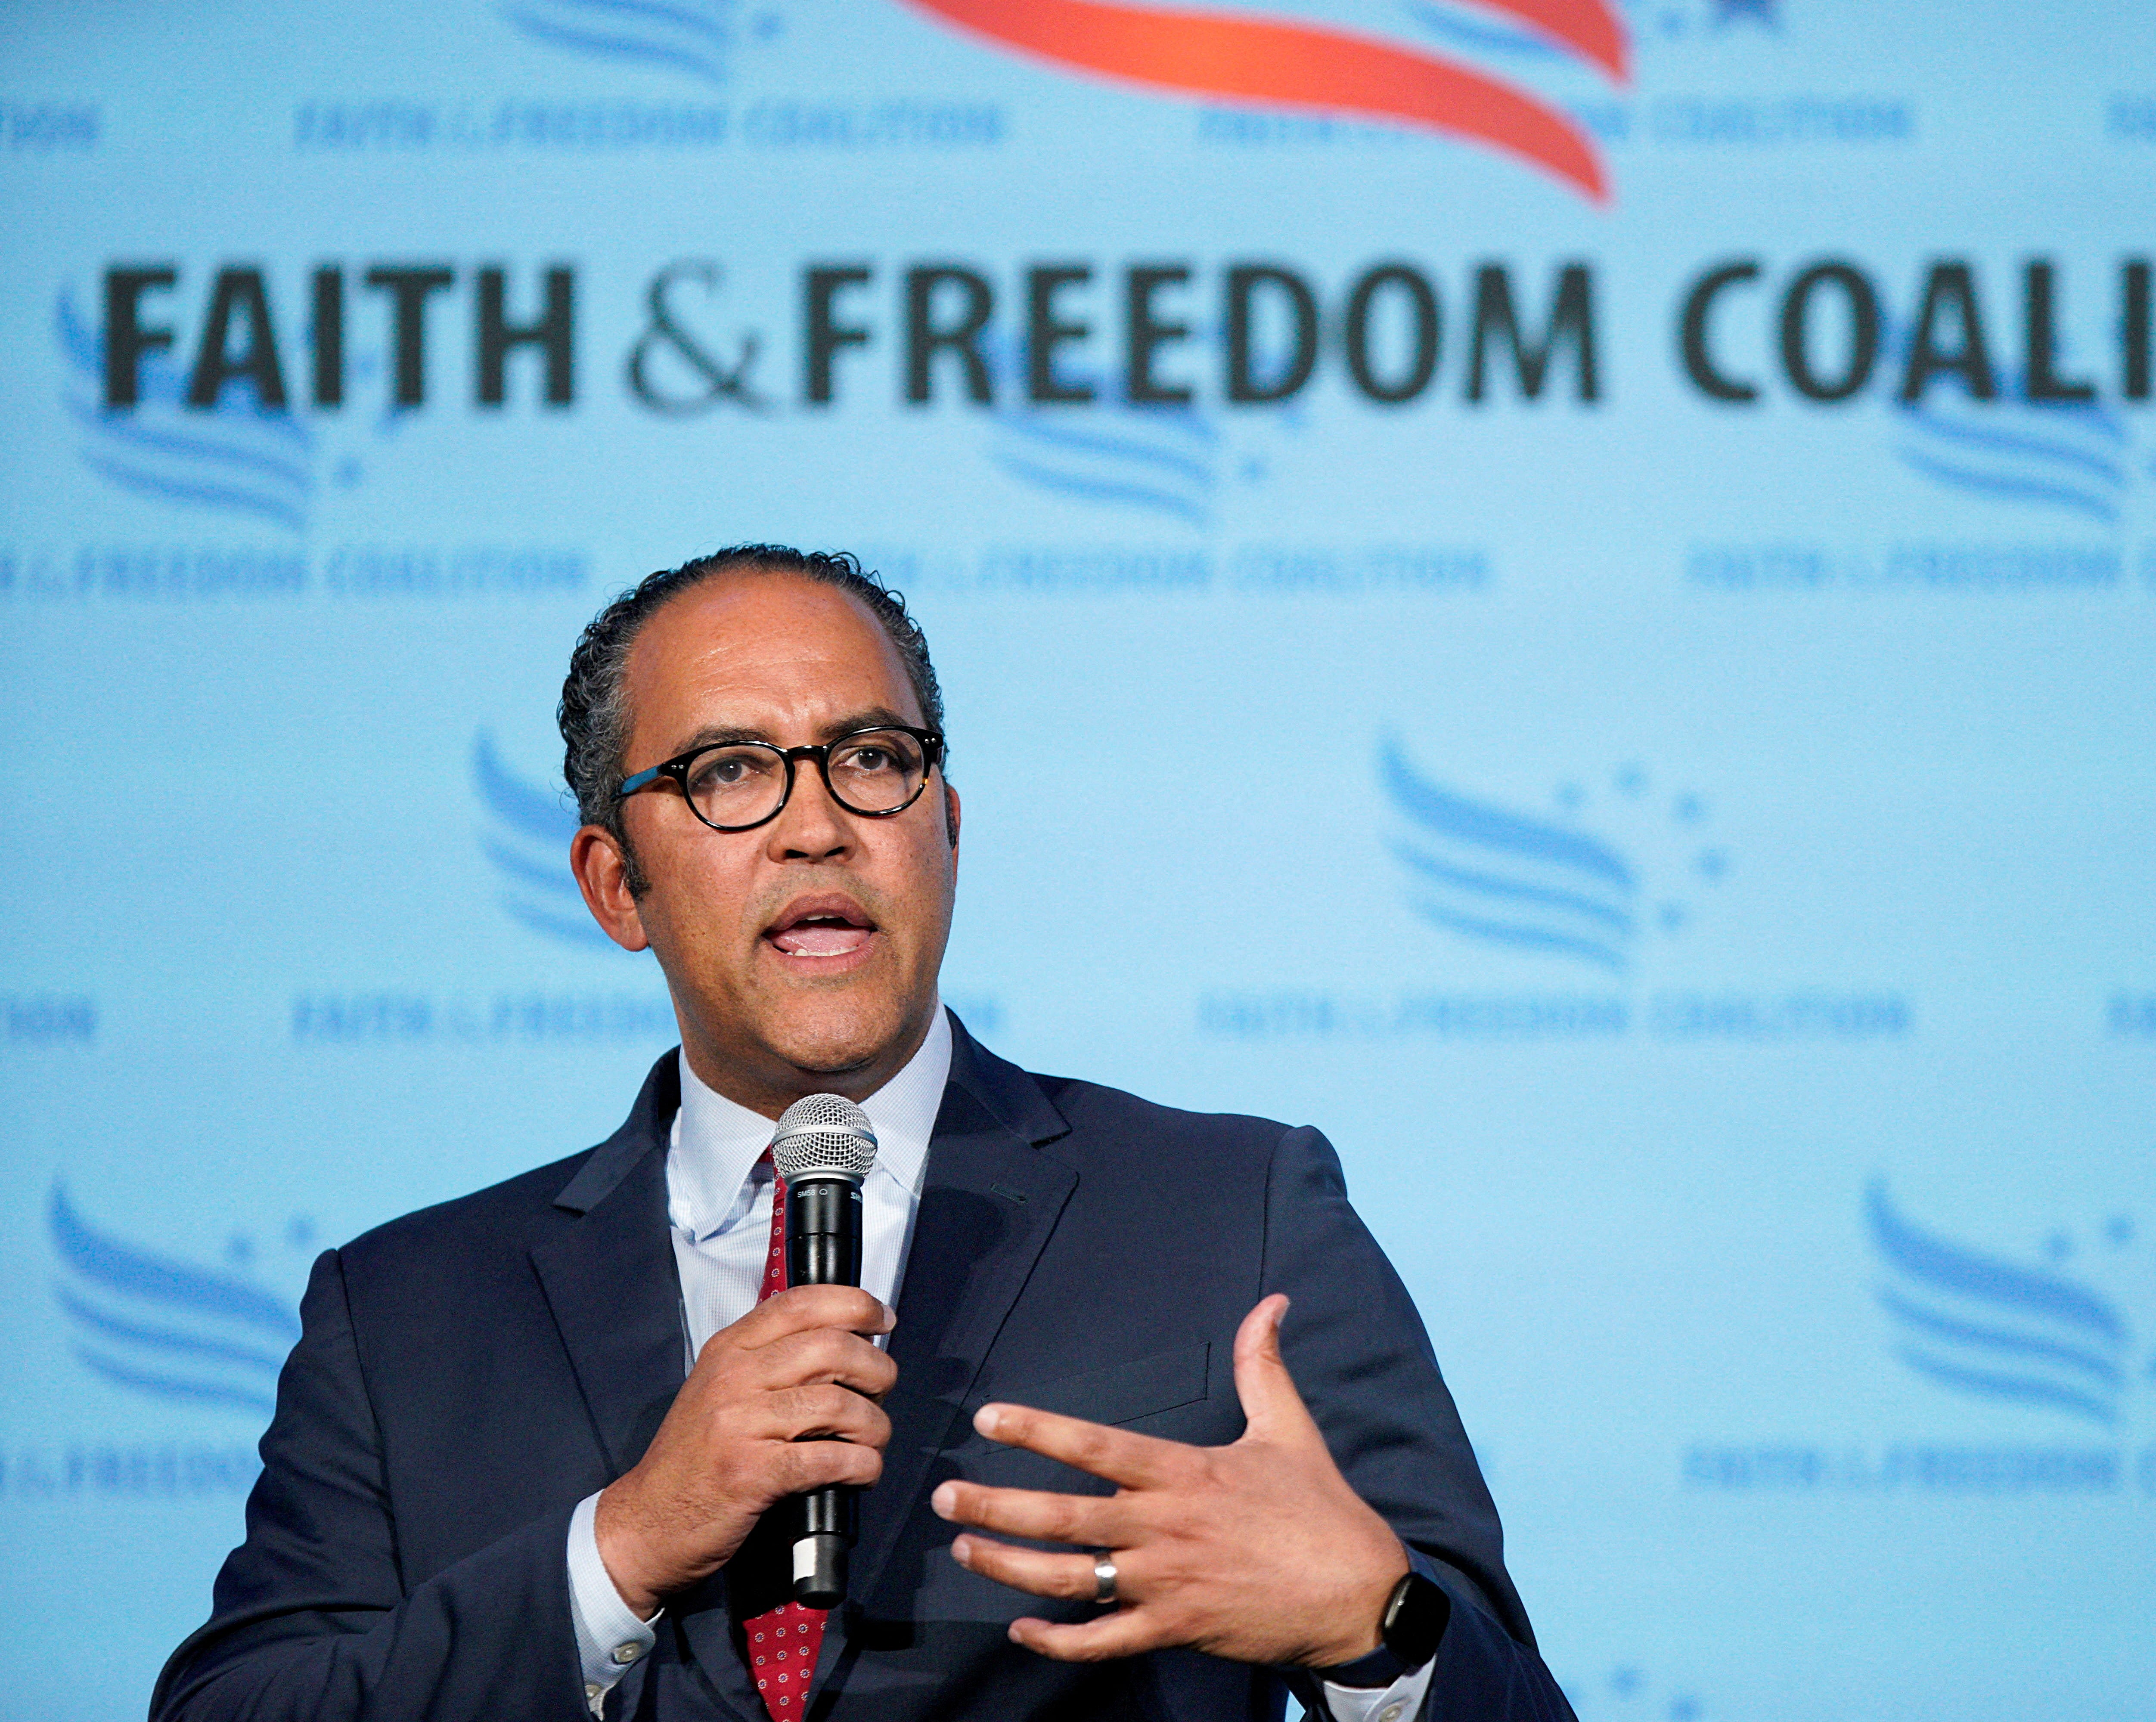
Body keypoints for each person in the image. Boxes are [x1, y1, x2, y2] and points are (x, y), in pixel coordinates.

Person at [152, 545, 1576, 1722]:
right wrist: (626, 1545)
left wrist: (1378, 1631)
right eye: (727, 773)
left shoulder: (1232, 1212)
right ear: (614, 885)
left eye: (871, 758)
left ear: (945, 826)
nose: (816, 825)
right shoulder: (405, 1313)